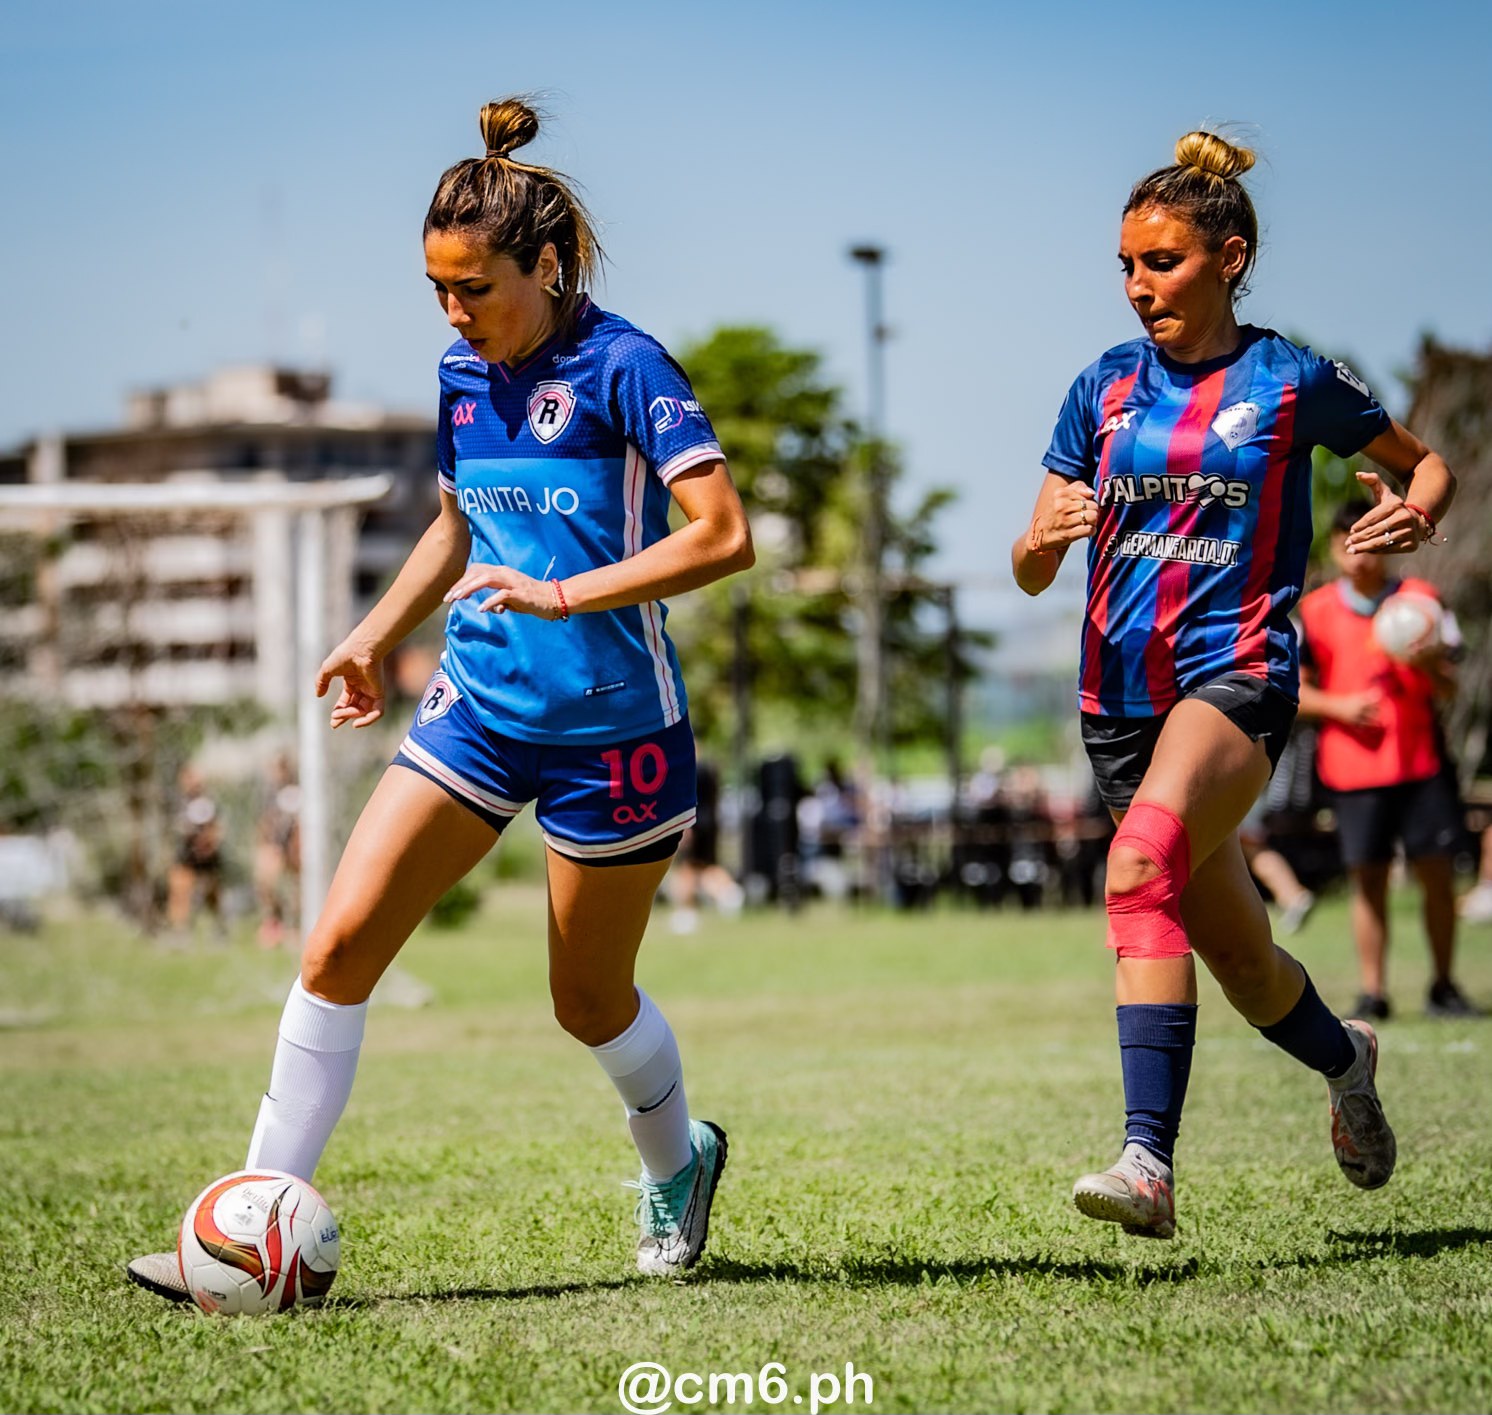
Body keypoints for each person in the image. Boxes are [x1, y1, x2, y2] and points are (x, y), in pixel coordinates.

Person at [127, 97, 754, 1300]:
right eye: (437, 289)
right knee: (336, 945)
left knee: (587, 1000)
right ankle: (246, 1228)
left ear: (546, 265)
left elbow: (724, 534)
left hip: (615, 731)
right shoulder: (461, 375)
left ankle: (678, 1161)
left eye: (474, 288)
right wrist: (373, 635)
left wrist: (565, 596)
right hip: (476, 707)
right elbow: (457, 525)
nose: (455, 312)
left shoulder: (626, 366)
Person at [1011, 130, 1457, 1239]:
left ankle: (1146, 1163)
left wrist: (1417, 511)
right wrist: (1044, 539)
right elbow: (1026, 566)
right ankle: (1346, 1057)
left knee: (1134, 870)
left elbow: (1422, 461)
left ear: (1230, 257)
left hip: (1237, 676)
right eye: (1126, 264)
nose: (1137, 285)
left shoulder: (1290, 379)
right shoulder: (1101, 387)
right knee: (1247, 966)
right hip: (1116, 705)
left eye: (1160, 262)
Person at [1297, 502, 1478, 1019]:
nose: (1359, 555)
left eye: (1370, 543)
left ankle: (1443, 986)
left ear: (1389, 544)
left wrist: (1427, 663)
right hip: (1353, 770)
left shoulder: (1421, 603)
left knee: (1437, 875)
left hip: (1421, 764)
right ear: (1335, 548)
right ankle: (1373, 992)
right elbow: (1295, 692)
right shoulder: (1314, 611)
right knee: (1368, 880)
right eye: (1348, 544)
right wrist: (1340, 707)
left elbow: (1450, 688)